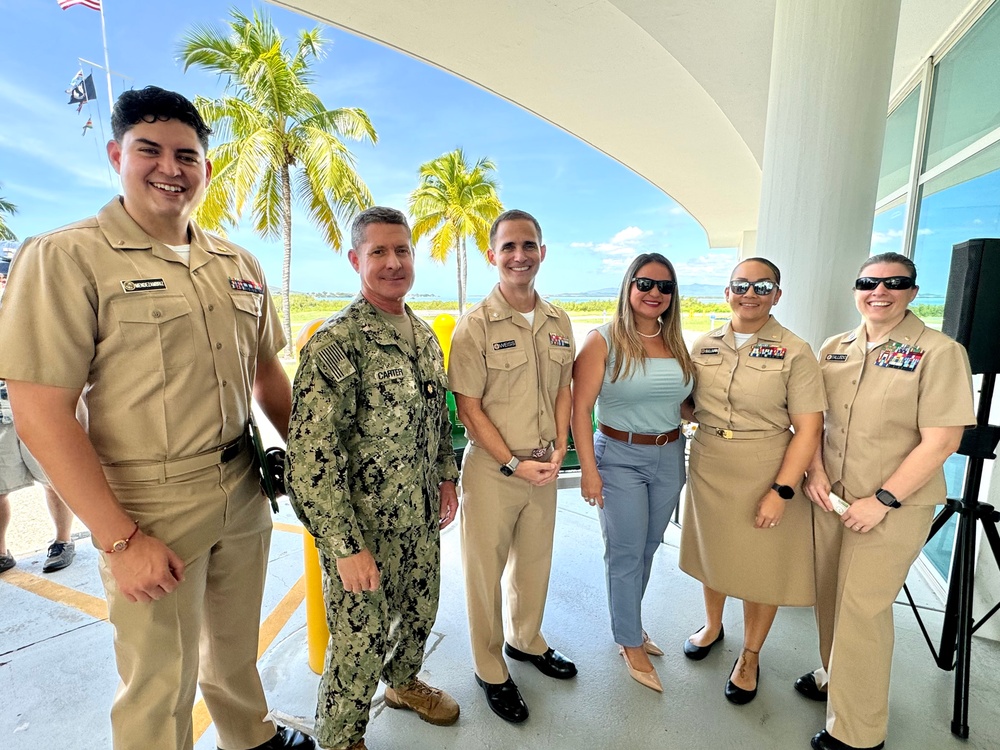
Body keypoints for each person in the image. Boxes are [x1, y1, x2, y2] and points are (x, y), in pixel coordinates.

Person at [0, 86, 310, 750]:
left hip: (244, 487)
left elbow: (266, 375)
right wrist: (118, 540)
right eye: (150, 150)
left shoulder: (238, 262)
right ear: (117, 155)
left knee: (233, 650)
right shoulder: (63, 258)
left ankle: (250, 740)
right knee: (157, 681)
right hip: (147, 504)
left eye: (186, 155)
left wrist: (312, 461)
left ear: (204, 167)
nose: (170, 167)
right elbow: (41, 414)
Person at [286, 206, 461, 750]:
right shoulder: (337, 343)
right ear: (355, 259)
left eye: (402, 250)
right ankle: (340, 739)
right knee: (358, 641)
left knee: (418, 611)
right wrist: (344, 546)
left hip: (418, 517)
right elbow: (312, 458)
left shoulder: (424, 335)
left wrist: (447, 478)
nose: (393, 263)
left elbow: (437, 418)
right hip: (361, 528)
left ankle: (404, 683)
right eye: (379, 252)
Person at [798, 252, 975, 750]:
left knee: (863, 610)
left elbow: (941, 440)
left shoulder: (939, 352)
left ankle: (858, 732)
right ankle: (837, 676)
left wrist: (883, 499)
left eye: (894, 283)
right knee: (831, 598)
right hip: (831, 500)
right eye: (869, 282)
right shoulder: (835, 348)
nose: (880, 291)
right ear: (856, 288)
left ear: (913, 291)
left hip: (892, 509)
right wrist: (814, 471)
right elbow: (814, 420)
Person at [448, 209, 577, 724]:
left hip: (545, 466)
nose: (519, 256)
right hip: (495, 471)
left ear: (542, 252)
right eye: (508, 247)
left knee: (534, 563)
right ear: (492, 256)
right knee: (485, 571)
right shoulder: (474, 326)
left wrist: (560, 446)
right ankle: (489, 666)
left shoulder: (559, 321)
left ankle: (526, 639)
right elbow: (468, 409)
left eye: (528, 246)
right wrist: (512, 465)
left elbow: (564, 388)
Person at [679, 257, 826, 704]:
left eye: (763, 287)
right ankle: (713, 625)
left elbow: (809, 428)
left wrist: (782, 490)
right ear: (727, 292)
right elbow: (685, 402)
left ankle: (750, 655)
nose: (750, 293)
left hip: (766, 465)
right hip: (709, 460)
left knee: (762, 566)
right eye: (740, 285)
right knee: (714, 551)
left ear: (777, 295)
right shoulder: (704, 344)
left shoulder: (795, 350)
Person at [571, 253, 694, 692]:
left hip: (669, 454)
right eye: (645, 284)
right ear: (629, 287)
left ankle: (629, 623)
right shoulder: (601, 341)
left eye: (665, 287)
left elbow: (681, 402)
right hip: (619, 455)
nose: (654, 293)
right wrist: (589, 469)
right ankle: (629, 640)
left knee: (646, 548)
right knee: (624, 552)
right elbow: (580, 409)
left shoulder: (676, 342)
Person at [0, 379, 77, 574]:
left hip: (34, 404)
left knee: (53, 480)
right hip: (2, 412)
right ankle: (1, 554)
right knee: (0, 489)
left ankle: (63, 541)